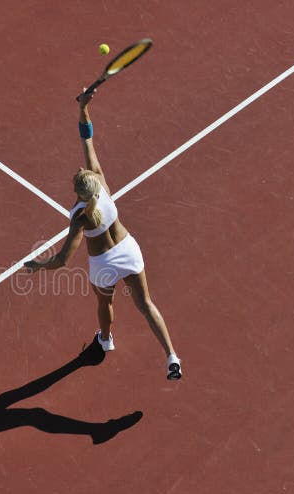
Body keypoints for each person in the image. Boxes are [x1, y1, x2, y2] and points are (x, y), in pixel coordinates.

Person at [24, 89, 182, 380]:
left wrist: (37, 265)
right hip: (129, 250)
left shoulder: (79, 218)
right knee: (146, 304)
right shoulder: (102, 184)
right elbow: (87, 137)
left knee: (104, 302)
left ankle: (106, 339)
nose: (78, 167)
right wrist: (84, 107)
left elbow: (61, 260)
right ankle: (172, 356)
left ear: (77, 192)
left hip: (103, 266)